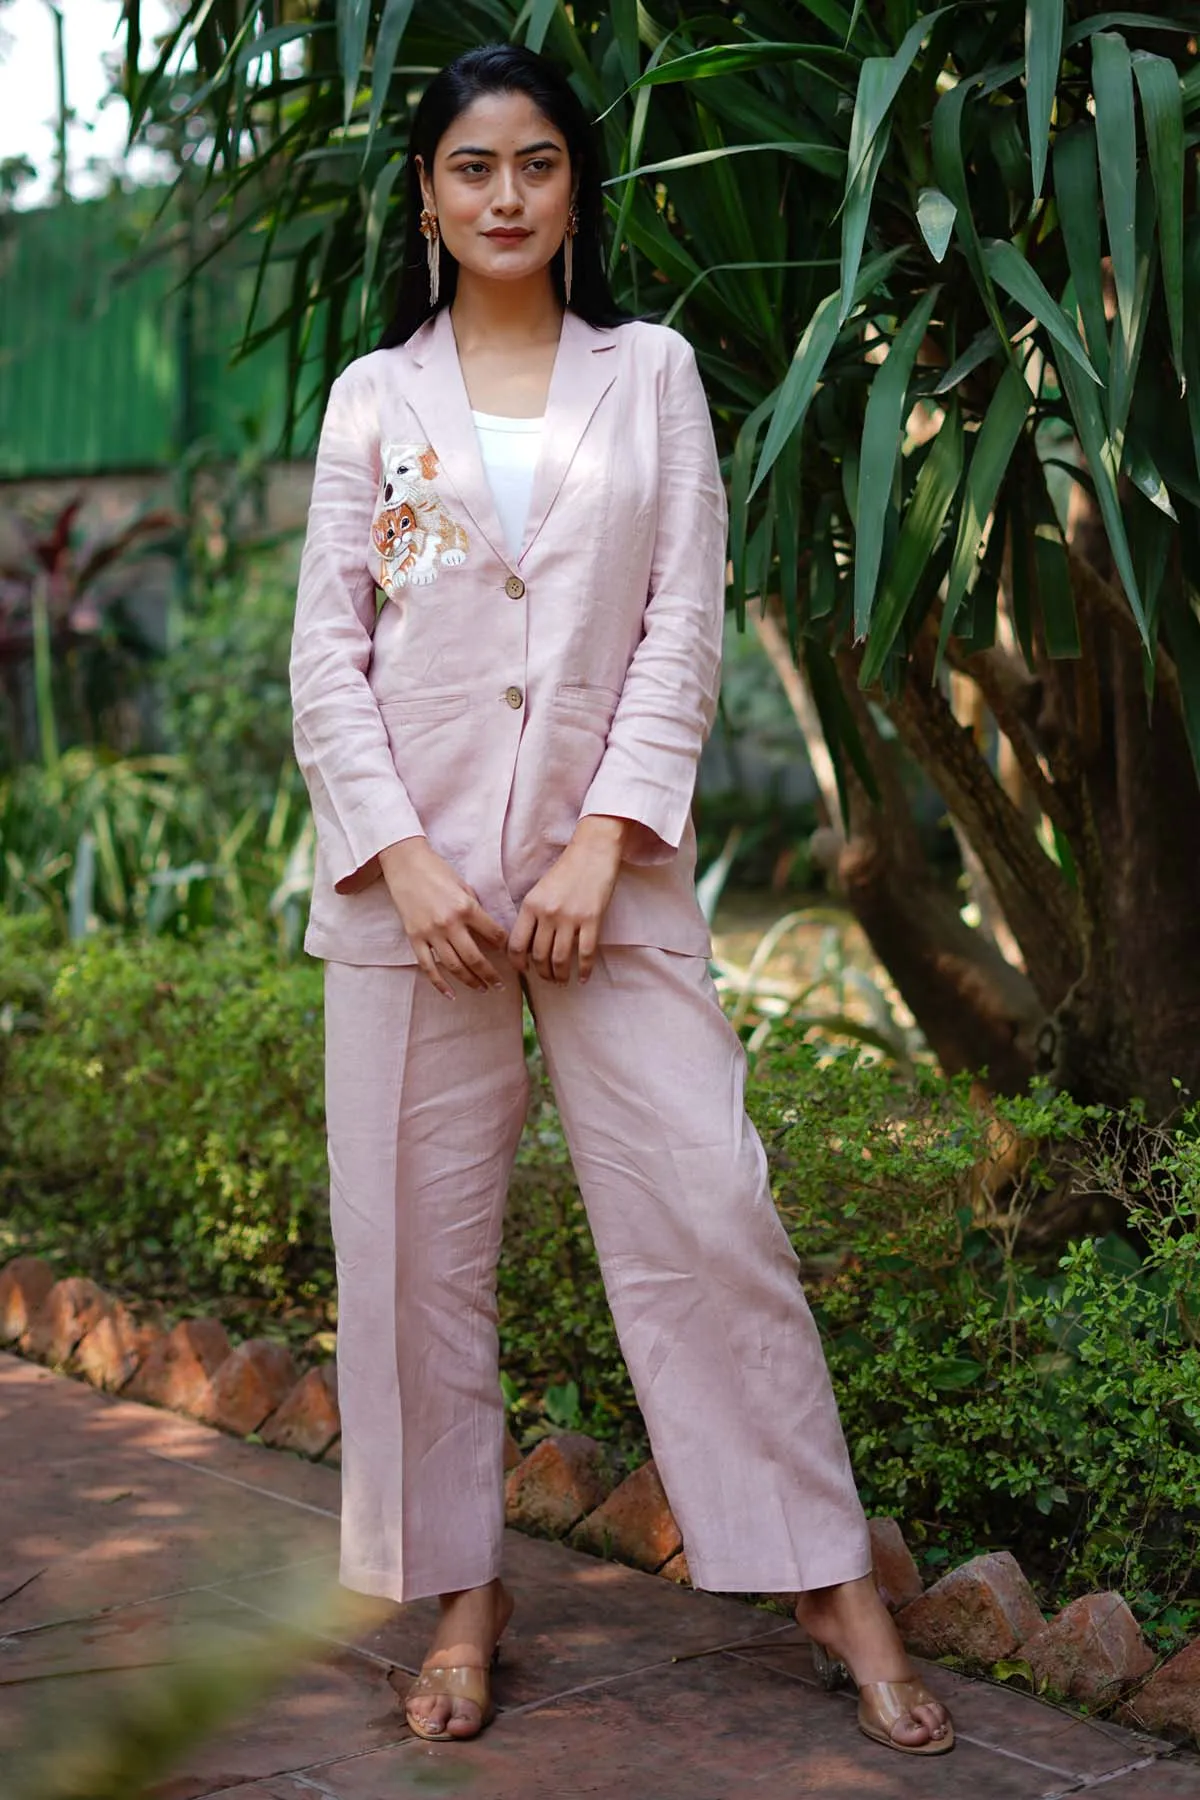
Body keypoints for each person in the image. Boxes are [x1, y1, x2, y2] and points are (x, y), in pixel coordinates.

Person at [288, 40, 954, 1761]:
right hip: (410, 892)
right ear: (426, 200)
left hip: (611, 872)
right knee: (415, 1255)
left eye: (534, 164)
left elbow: (684, 617)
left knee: (709, 1208)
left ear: (576, 187)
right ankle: (462, 1592)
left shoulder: (646, 375)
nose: (503, 196)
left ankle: (827, 1576)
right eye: (468, 169)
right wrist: (407, 859)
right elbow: (324, 661)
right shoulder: (374, 398)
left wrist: (603, 834)